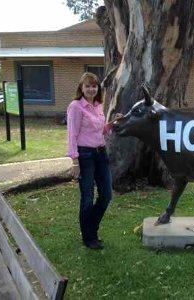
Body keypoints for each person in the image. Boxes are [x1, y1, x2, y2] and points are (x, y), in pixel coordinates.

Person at [67, 72, 122, 249]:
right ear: (81, 88)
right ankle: (89, 237)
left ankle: (92, 229)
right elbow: (72, 135)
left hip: (101, 154)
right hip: (85, 156)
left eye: (94, 86)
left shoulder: (98, 106)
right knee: (87, 198)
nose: (91, 89)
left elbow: (100, 130)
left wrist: (112, 123)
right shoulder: (76, 107)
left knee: (106, 195)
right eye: (87, 86)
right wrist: (75, 162)